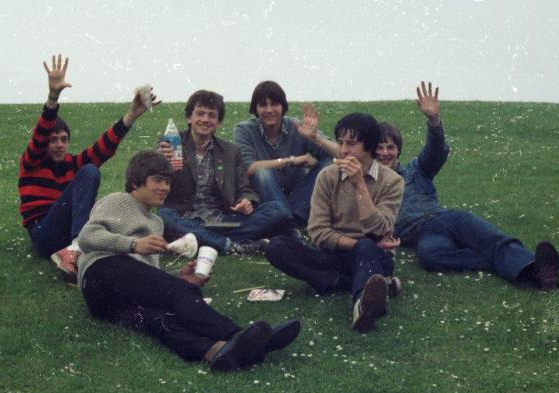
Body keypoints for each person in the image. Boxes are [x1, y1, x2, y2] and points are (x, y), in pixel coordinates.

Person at [78, 150, 300, 370]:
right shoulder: (119, 200)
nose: (165, 188)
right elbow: (87, 237)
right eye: (157, 181)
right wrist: (134, 245)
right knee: (174, 292)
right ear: (135, 183)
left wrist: (180, 278)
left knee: (159, 319)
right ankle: (237, 335)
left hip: (109, 303)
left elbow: (146, 277)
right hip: (101, 274)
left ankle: (215, 351)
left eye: (167, 182)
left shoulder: (156, 222)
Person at [376, 81, 559, 290]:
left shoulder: (415, 170)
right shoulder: (370, 186)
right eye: (379, 148)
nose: (384, 153)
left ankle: (542, 272)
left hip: (448, 218)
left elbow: (435, 151)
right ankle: (523, 267)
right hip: (423, 234)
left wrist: (434, 121)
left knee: (493, 239)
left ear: (397, 151)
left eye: (390, 147)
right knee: (431, 257)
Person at [19, 54, 159, 279]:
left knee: (91, 171)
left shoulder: (71, 164)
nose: (59, 145)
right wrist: (53, 97)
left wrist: (132, 114)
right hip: (43, 231)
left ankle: (75, 249)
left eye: (64, 139)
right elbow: (40, 132)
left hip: (65, 231)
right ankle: (78, 247)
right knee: (89, 171)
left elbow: (105, 147)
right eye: (53, 140)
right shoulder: (32, 162)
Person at [265, 113, 405, 333]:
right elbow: (318, 232)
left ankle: (362, 305)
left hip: (373, 255)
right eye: (340, 143)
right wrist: (357, 243)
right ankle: (376, 285)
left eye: (351, 143)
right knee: (277, 247)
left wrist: (360, 185)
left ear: (369, 147)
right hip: (335, 252)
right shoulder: (327, 176)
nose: (343, 150)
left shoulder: (392, 181)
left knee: (367, 248)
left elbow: (379, 229)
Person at [156, 90, 292, 255]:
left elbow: (244, 189)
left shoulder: (230, 151)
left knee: (277, 209)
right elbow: (152, 182)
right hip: (185, 218)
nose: (205, 120)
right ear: (189, 118)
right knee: (164, 216)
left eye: (212, 116)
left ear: (218, 122)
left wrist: (246, 201)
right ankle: (232, 245)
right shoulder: (172, 144)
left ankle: (202, 240)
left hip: (221, 219)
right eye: (200, 114)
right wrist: (159, 160)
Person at [233, 81, 334, 224]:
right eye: (263, 105)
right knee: (262, 172)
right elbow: (248, 167)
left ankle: (287, 219)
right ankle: (289, 222)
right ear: (255, 108)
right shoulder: (244, 130)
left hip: (297, 193)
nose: (269, 110)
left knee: (329, 165)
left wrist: (315, 137)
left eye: (274, 104)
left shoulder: (296, 127)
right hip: (265, 194)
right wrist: (292, 160)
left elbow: (337, 155)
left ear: (283, 106)